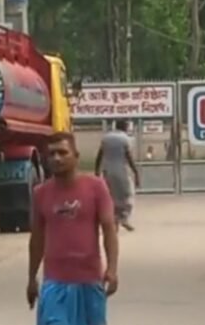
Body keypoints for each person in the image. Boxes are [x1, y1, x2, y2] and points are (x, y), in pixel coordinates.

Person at [27, 132, 119, 325]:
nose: (57, 158)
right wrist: (31, 278)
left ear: (76, 156)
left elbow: (109, 229)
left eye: (62, 152)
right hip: (54, 284)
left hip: (90, 282)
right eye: (51, 154)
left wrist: (112, 268)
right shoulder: (40, 193)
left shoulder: (96, 187)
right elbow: (37, 238)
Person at [94, 120, 140, 231]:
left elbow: (99, 155)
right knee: (127, 194)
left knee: (111, 196)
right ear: (125, 127)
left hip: (107, 171)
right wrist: (136, 172)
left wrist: (97, 171)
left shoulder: (106, 138)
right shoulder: (126, 139)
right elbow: (129, 157)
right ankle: (123, 217)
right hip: (122, 171)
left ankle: (114, 220)